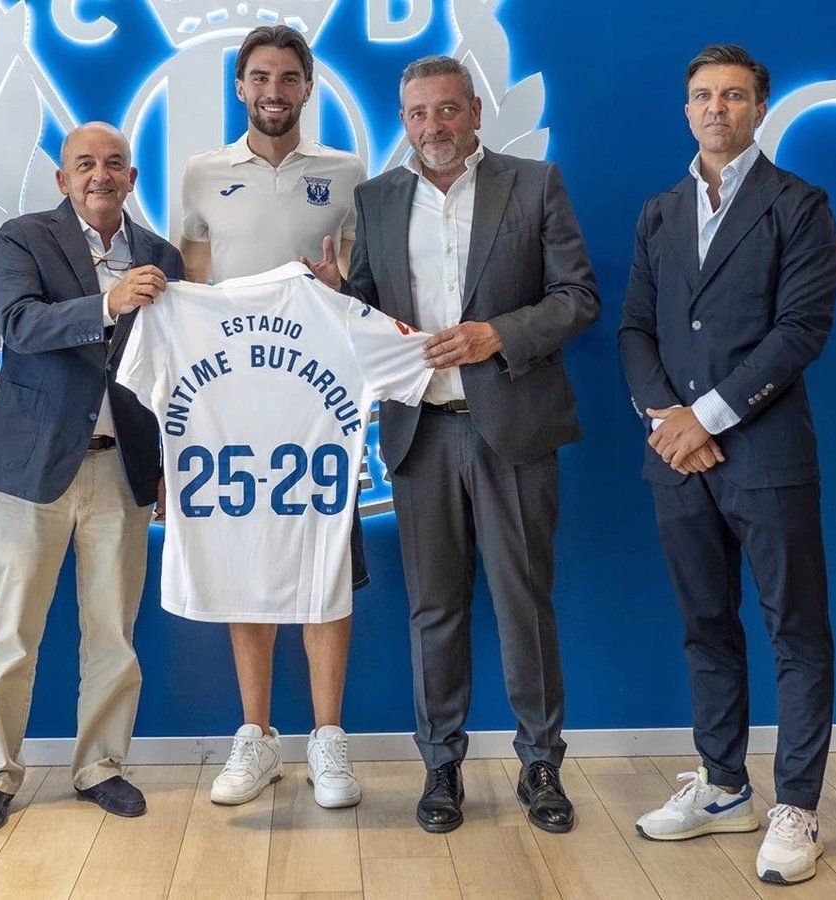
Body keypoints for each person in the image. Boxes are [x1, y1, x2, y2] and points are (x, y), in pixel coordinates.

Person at [308, 55, 599, 835]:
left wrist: (496, 335)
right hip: (419, 434)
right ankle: (441, 767)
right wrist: (339, 299)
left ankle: (541, 764)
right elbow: (369, 312)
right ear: (402, 121)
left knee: (524, 604)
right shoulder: (374, 201)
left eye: (445, 110)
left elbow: (579, 298)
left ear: (474, 110)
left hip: (514, 430)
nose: (432, 126)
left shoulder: (534, 183)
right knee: (434, 609)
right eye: (416, 114)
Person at [618, 44, 836, 885]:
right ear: (687, 110)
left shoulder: (800, 205)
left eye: (735, 96)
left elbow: (800, 332)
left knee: (796, 630)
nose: (718, 108)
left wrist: (704, 417)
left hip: (768, 455)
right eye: (704, 96)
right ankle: (721, 786)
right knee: (705, 626)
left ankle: (797, 807)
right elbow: (635, 329)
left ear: (760, 108)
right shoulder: (659, 211)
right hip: (676, 462)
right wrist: (666, 420)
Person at [0, 122, 181, 833]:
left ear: (132, 177)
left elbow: (177, 373)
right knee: (13, 634)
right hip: (29, 470)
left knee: (113, 632)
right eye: (85, 163)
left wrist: (173, 468)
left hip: (123, 470)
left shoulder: (161, 255)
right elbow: (19, 326)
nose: (100, 174)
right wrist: (106, 305)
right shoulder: (23, 239)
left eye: (114, 163)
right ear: (62, 178)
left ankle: (101, 766)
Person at [176, 24, 369, 809]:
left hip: (318, 409)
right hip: (231, 414)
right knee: (244, 563)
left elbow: (360, 291)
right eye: (259, 77)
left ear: (308, 87)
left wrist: (338, 285)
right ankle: (256, 737)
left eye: (288, 78)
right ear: (240, 87)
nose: (273, 92)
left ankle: (330, 741)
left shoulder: (349, 173)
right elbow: (194, 296)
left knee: (323, 565)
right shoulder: (200, 174)